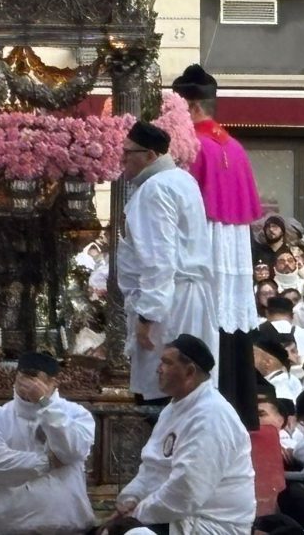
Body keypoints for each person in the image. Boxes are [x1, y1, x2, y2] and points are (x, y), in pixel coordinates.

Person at [171, 64, 262, 430]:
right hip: (233, 249)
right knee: (229, 324)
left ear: (192, 107)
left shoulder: (190, 146)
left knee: (203, 320)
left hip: (203, 245)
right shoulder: (235, 147)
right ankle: (239, 407)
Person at [112, 335, 255, 535]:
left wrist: (136, 515)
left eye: (167, 363)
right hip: (172, 516)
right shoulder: (172, 410)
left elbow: (186, 490)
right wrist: (130, 499)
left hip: (210, 524)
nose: (159, 369)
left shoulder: (212, 415)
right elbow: (152, 468)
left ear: (189, 372)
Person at [117, 121, 218, 401]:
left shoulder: (155, 189)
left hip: (169, 303)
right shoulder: (182, 180)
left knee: (165, 387)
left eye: (128, 152)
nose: (123, 159)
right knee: (190, 388)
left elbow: (158, 260)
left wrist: (147, 317)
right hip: (186, 297)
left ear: (150, 155)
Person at [0, 351, 95, 535]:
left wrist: (44, 403)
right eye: (22, 376)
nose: (25, 383)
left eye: (33, 377)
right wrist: (48, 462)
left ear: (53, 382)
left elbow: (71, 450)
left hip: (66, 526)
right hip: (9, 527)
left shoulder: (77, 414)